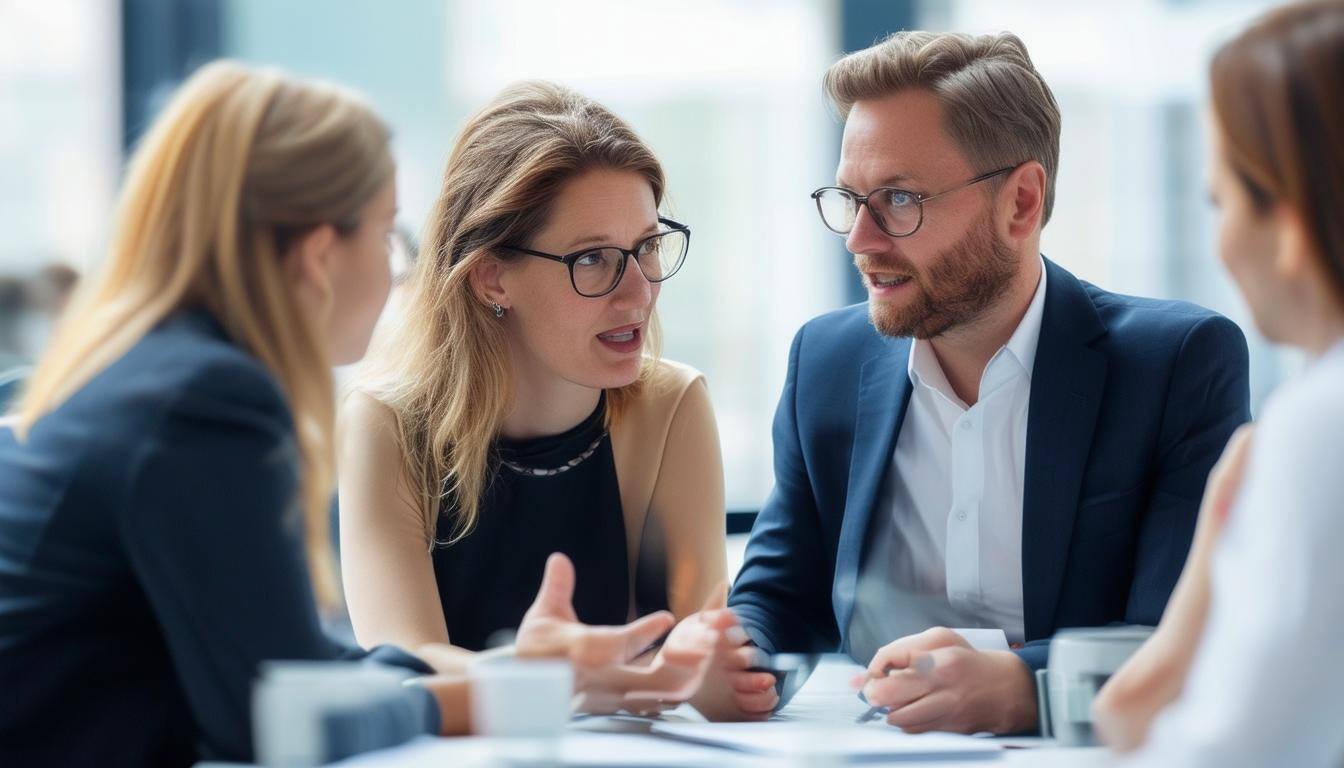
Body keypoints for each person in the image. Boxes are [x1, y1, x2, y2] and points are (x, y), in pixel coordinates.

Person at [0, 62, 728, 767]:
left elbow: (293, 679)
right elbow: (281, 718)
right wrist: (520, 685)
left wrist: (516, 676)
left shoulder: (157, 377)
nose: (403, 272)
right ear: (320, 255)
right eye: (386, 236)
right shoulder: (208, 401)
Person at [704, 31, 1251, 732]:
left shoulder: (1176, 364)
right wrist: (734, 650)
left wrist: (1024, 688)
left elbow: (1177, 636)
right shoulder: (826, 360)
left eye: (898, 199)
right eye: (850, 199)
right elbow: (781, 592)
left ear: (1021, 203)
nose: (859, 242)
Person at [338, 81, 728, 672]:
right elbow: (404, 667)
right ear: (493, 277)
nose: (638, 293)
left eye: (647, 246)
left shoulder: (672, 405)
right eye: (592, 258)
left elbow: (700, 650)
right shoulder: (385, 424)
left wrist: (721, 672)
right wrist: (560, 678)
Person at [1093, 2, 1344, 764]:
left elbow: (1218, 750)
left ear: (1291, 218)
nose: (1223, 240)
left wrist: (1215, 545)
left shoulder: (1317, 425)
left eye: (1222, 201)